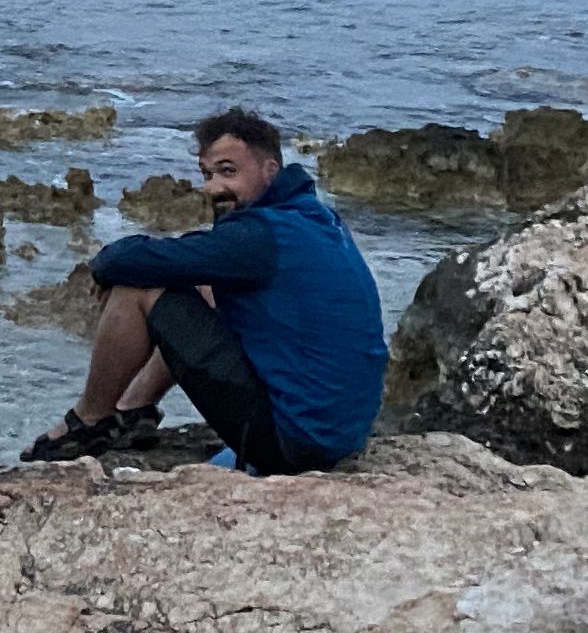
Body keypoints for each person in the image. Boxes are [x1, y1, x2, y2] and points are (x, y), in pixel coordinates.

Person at [22, 106, 386, 473]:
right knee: (200, 281)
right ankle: (134, 410)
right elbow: (192, 262)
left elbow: (129, 260)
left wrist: (103, 266)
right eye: (207, 174)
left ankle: (90, 420)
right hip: (341, 435)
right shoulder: (315, 217)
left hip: (293, 444)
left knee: (138, 288)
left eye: (228, 171)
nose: (213, 187)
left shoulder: (259, 236)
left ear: (269, 170)